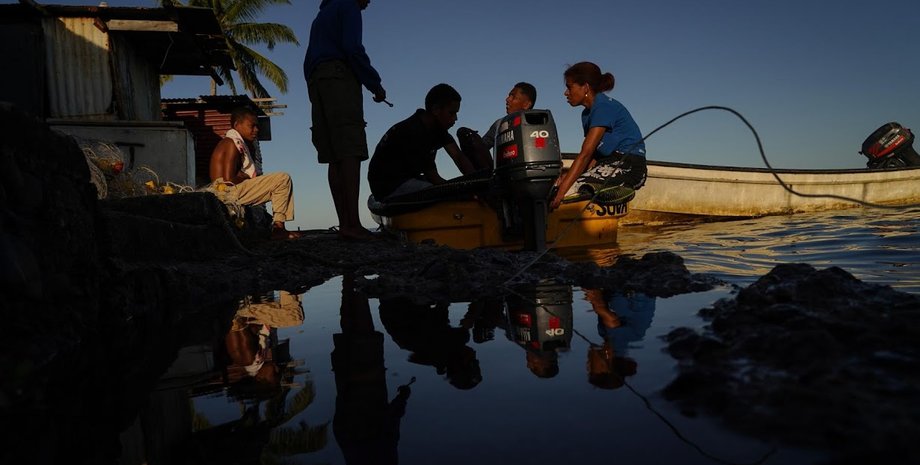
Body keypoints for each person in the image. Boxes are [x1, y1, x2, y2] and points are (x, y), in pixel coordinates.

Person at [304, 0, 387, 241]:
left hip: (316, 81)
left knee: (333, 154)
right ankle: (353, 224)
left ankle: (345, 224)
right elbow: (352, 47)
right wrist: (374, 83)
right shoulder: (348, 7)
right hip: (339, 77)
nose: (369, 1)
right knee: (350, 149)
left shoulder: (322, 16)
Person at [550, 61, 647, 211]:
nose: (566, 93)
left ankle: (621, 187)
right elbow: (591, 157)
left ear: (586, 87)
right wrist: (564, 178)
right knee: (562, 183)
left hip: (630, 165)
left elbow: (585, 152)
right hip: (607, 162)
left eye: (569, 87)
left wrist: (560, 193)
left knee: (573, 188)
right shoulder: (586, 114)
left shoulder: (603, 106)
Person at [368, 83, 479, 201]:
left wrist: (477, 183)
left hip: (408, 179)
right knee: (444, 196)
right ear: (436, 110)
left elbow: (458, 157)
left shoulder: (437, 129)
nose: (455, 118)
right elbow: (434, 178)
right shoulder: (415, 132)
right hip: (389, 187)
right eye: (451, 113)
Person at [209, 107, 299, 240]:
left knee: (277, 188)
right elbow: (227, 181)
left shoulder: (233, 142)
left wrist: (244, 177)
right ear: (236, 125)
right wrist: (244, 176)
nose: (256, 130)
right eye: (252, 126)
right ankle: (279, 228)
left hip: (227, 192)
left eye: (257, 126)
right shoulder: (231, 144)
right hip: (226, 193)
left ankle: (278, 227)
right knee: (282, 179)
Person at [456, 82, 537, 171]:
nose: (507, 99)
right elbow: (482, 148)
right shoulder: (499, 124)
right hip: (500, 174)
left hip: (531, 172)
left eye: (513, 97)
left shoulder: (539, 123)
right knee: (464, 132)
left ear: (526, 104)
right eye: (509, 96)